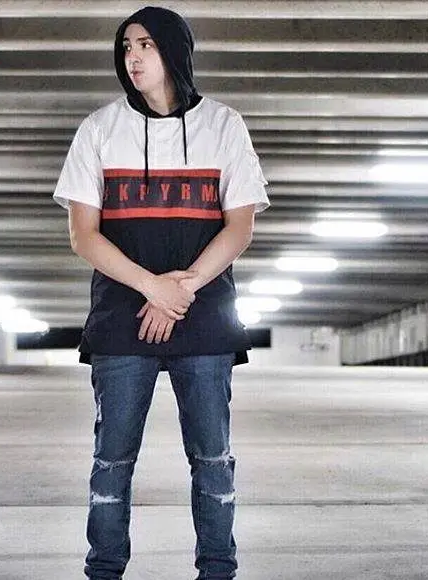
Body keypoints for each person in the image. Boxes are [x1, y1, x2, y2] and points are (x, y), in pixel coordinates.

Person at [53, 6, 269, 579]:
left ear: (175, 51)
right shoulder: (99, 129)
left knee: (212, 459)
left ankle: (217, 570)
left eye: (146, 45)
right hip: (121, 319)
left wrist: (182, 290)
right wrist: (152, 287)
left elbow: (240, 227)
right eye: (126, 46)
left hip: (206, 318)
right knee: (112, 460)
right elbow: (82, 235)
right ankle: (104, 570)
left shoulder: (224, 125)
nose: (133, 57)